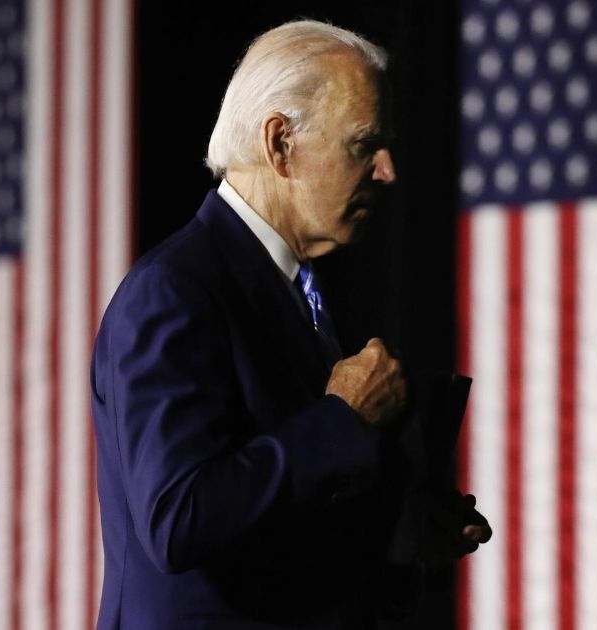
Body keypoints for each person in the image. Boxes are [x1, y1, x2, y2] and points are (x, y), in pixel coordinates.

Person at [90, 20, 491, 629]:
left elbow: (277, 539)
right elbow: (177, 520)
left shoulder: (296, 293)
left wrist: (400, 548)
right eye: (363, 144)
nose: (388, 171)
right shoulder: (174, 290)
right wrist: (340, 420)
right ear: (280, 143)